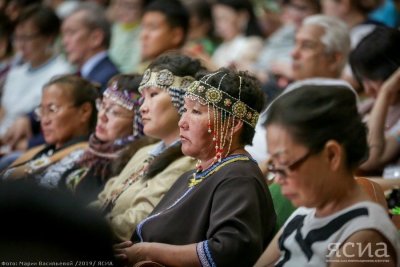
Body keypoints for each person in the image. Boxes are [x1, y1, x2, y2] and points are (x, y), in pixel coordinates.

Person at [115, 68, 276, 267]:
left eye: (196, 112)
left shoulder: (239, 177)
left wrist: (148, 252)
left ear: (233, 124)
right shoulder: (194, 175)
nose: (182, 122)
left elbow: (229, 250)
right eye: (184, 110)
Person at [254, 79, 400, 267]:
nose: (278, 179)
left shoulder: (364, 236)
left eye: (284, 163)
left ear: (332, 155)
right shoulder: (306, 212)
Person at [90, 53, 203, 241]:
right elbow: (104, 199)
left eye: (153, 95)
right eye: (143, 97)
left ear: (184, 100)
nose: (142, 107)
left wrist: (77, 228)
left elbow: (140, 221)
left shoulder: (190, 163)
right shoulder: (143, 152)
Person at [59, 74, 150, 205]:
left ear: (138, 123)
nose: (102, 116)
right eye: (102, 105)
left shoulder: (129, 167)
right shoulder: (91, 151)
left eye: (115, 112)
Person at [1, 74, 98, 184]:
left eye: (52, 109)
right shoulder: (40, 150)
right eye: (41, 111)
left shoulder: (87, 158)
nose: (44, 120)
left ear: (84, 111)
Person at [0, 4, 72, 137]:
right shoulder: (15, 73)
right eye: (17, 38)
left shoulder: (61, 74)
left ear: (48, 38)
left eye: (27, 38)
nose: (21, 45)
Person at [350, 27, 400, 174]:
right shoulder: (368, 105)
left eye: (372, 80)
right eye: (362, 80)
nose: (367, 90)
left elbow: (369, 159)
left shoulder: (381, 100)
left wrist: (385, 92)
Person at [61, 2, 119, 92]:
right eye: (64, 35)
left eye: (71, 33)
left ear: (96, 38)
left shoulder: (110, 79)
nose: (64, 41)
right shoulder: (80, 75)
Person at [137, 0, 189, 73]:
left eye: (153, 28)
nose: (143, 35)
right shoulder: (141, 70)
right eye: (143, 27)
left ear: (176, 35)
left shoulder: (188, 72)